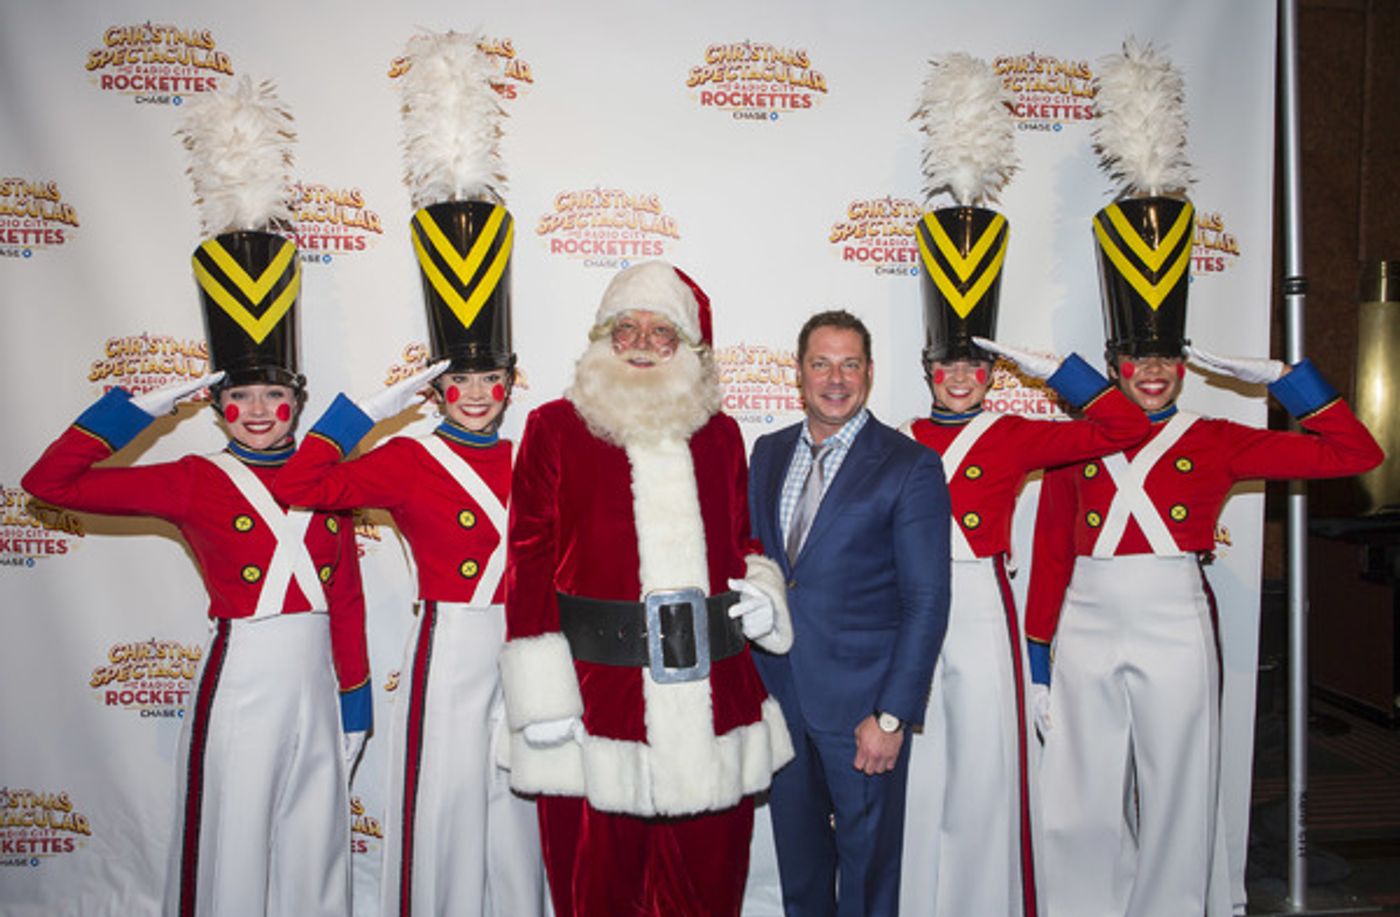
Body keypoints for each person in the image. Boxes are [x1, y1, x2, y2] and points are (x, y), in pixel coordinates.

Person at [1026, 194, 1385, 917]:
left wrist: (1286, 378)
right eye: (1136, 357)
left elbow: (1359, 452)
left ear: (1183, 367)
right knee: (1074, 795)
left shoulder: (1218, 437)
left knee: (1179, 791)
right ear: (1114, 364)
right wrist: (1037, 657)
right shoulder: (1081, 437)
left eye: (1165, 357)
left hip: (1174, 616)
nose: (1151, 371)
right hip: (1086, 620)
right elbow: (1050, 552)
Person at [23, 229, 368, 917]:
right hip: (242, 675)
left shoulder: (332, 481)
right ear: (217, 406)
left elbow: (348, 598)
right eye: (243, 396)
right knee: (232, 837)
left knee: (317, 839)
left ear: (297, 403)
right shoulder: (191, 479)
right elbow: (49, 482)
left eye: (276, 393)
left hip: (316, 681)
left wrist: (355, 693)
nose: (262, 411)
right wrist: (132, 412)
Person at [498, 260, 794, 917]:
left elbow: (742, 542)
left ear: (688, 349)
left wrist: (764, 593)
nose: (640, 342)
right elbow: (527, 562)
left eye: (662, 331)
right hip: (597, 705)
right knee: (598, 894)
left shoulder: (719, 433)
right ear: (602, 337)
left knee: (708, 893)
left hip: (715, 702)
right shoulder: (554, 427)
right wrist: (541, 697)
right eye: (625, 327)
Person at [272, 198, 544, 914]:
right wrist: (362, 411)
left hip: (521, 645)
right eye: (461, 380)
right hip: (448, 641)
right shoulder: (405, 456)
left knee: (519, 808)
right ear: (435, 388)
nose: (477, 395)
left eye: (492, 379)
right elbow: (298, 483)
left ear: (510, 384)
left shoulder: (535, 456)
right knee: (442, 807)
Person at [748, 308, 951, 917]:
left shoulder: (908, 465)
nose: (835, 379)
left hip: (863, 712)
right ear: (799, 373)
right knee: (802, 876)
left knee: (867, 880)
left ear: (868, 372)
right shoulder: (767, 452)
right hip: (781, 706)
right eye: (821, 364)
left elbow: (927, 601)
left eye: (850, 364)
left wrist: (891, 717)